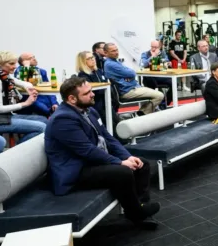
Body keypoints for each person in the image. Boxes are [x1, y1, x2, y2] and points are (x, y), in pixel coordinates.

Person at [44, 77, 160, 224]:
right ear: (72, 99)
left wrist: (127, 157)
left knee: (141, 164)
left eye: (91, 91)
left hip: (91, 162)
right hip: (75, 171)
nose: (92, 94)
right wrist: (119, 162)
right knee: (123, 171)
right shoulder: (63, 119)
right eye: (87, 93)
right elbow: (87, 150)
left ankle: (142, 206)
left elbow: (107, 138)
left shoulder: (89, 111)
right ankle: (136, 213)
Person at [0, 51, 46, 142]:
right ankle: (18, 150)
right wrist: (25, 103)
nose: (15, 66)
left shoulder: (3, 75)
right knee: (42, 127)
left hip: (4, 117)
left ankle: (21, 147)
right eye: (11, 64)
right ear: (0, 64)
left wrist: (27, 88)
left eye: (15, 63)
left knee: (43, 119)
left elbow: (23, 83)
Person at [103, 43, 165, 114]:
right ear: (106, 53)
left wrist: (128, 77)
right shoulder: (111, 64)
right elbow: (132, 73)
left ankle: (143, 112)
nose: (116, 52)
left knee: (158, 89)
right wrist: (129, 77)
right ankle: (142, 114)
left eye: (117, 50)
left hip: (132, 87)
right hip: (128, 91)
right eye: (113, 51)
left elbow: (130, 72)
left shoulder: (114, 61)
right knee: (159, 95)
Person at [15, 52, 58, 118]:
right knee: (42, 108)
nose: (34, 59)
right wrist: (26, 66)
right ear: (23, 62)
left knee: (58, 107)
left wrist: (54, 102)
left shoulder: (42, 71)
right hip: (31, 99)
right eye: (30, 58)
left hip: (44, 97)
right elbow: (25, 80)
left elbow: (49, 89)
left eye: (34, 57)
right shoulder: (19, 71)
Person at [76, 51, 112, 125]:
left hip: (106, 102)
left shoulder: (99, 71)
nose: (93, 59)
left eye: (93, 57)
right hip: (96, 105)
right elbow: (95, 92)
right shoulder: (83, 75)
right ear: (83, 62)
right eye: (89, 58)